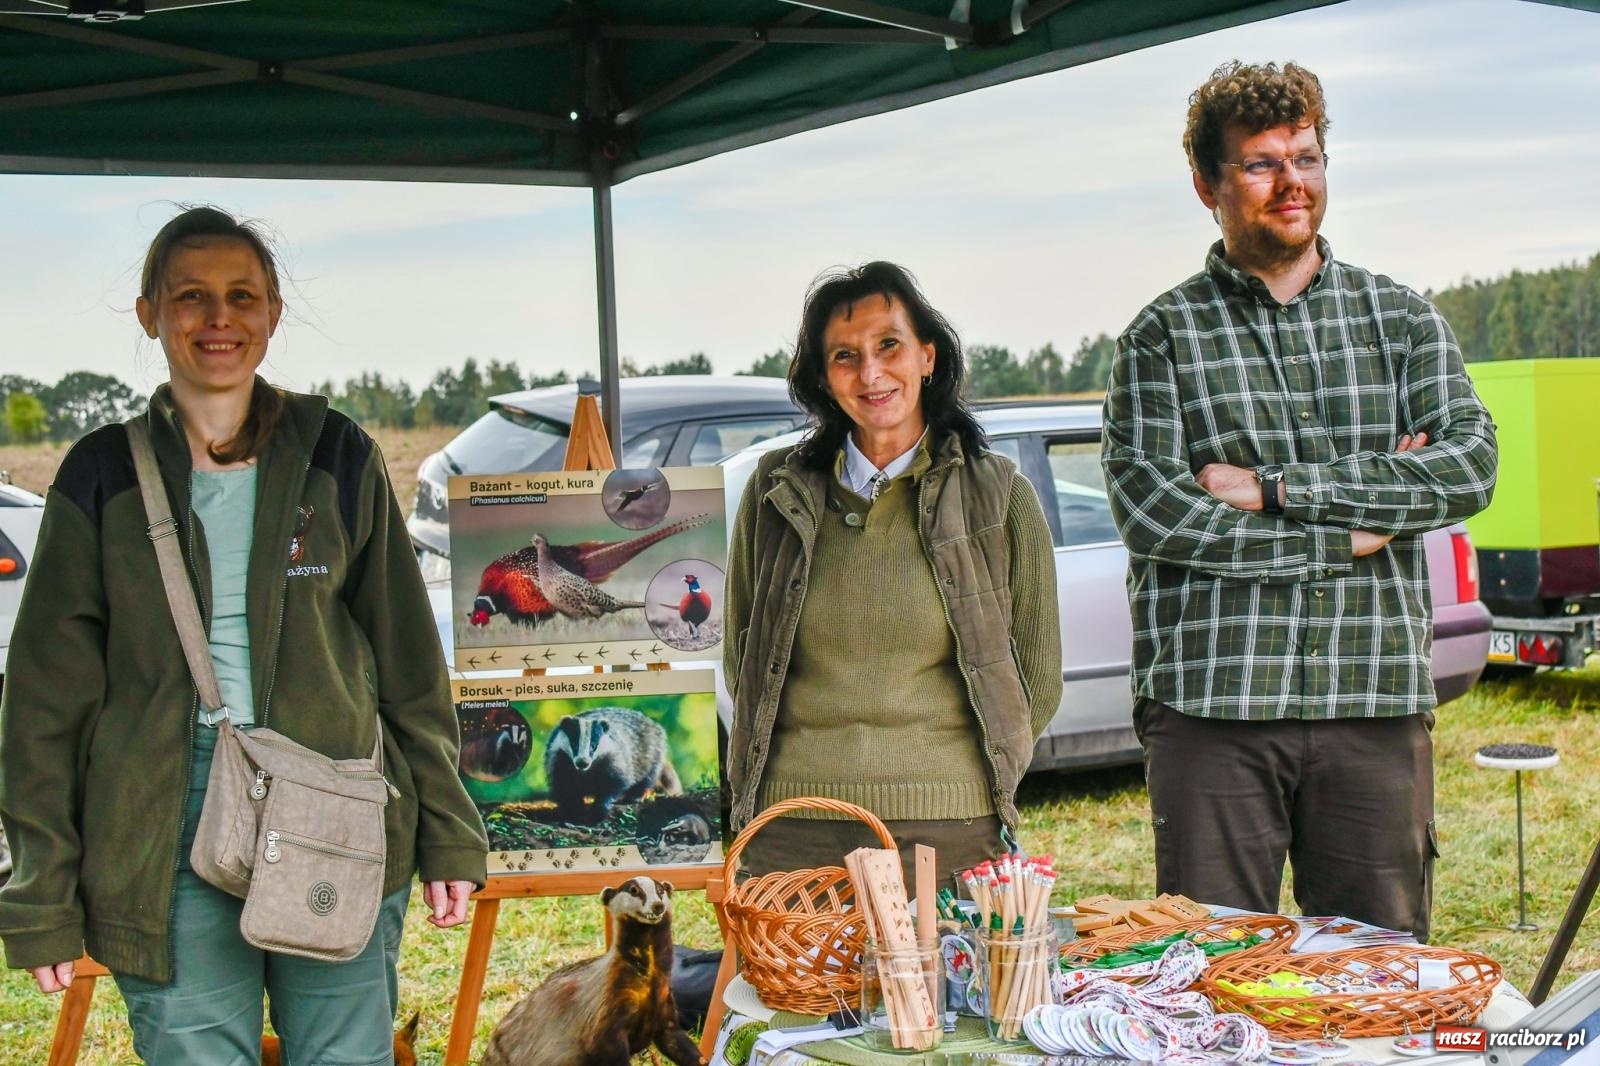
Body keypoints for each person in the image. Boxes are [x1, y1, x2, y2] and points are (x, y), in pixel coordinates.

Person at [0, 206, 488, 1063]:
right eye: (191, 296)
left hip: (332, 791)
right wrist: (42, 891)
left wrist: (448, 827)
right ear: (151, 312)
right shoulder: (101, 474)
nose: (218, 318)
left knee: (344, 1054)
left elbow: (410, 664)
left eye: (241, 296)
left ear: (272, 313)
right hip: (160, 819)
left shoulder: (337, 454)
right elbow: (44, 706)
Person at [1101, 61, 1497, 942]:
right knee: (1211, 970)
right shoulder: (1160, 338)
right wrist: (1350, 532)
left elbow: (1469, 467)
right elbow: (1158, 515)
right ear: (1207, 183)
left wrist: (1274, 489)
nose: (1293, 183)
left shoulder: (1400, 320)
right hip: (1215, 712)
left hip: (1373, 699)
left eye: (1308, 158)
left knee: (1378, 973)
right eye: (1261, 163)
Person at [723, 261, 1061, 886]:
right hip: (792, 826)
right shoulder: (775, 490)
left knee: (943, 990)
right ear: (824, 378)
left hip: (951, 829)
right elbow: (742, 657)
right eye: (845, 356)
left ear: (927, 357)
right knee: (785, 991)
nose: (871, 373)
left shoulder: (999, 496)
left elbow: (1038, 679)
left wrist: (954, 777)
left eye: (888, 346)